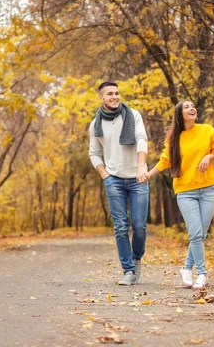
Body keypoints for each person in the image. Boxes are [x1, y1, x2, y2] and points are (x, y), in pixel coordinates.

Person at [145, 100, 214, 289]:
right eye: (186, 107)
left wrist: (208, 156)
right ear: (179, 114)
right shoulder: (174, 139)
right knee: (196, 234)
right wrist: (147, 175)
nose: (192, 109)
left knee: (200, 234)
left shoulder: (207, 130)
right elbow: (164, 162)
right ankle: (202, 274)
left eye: (193, 106)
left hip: (208, 188)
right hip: (185, 191)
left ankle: (187, 267)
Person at [89, 81, 149, 286]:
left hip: (137, 178)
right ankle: (128, 270)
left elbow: (141, 138)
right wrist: (105, 175)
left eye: (116, 93)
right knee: (121, 226)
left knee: (139, 226)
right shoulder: (95, 124)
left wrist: (141, 167)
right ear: (101, 98)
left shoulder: (133, 115)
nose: (114, 97)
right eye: (109, 94)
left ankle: (136, 257)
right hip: (113, 179)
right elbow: (94, 153)